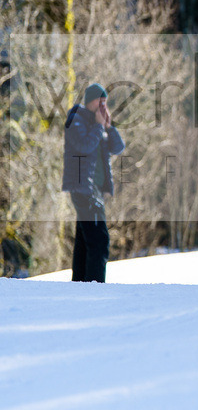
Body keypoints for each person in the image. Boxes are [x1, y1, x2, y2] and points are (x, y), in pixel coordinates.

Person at [62, 83, 125, 282]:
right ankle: (94, 287)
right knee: (99, 240)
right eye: (100, 102)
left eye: (106, 102)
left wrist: (108, 126)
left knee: (85, 241)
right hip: (83, 188)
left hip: (95, 190)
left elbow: (118, 147)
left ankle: (80, 285)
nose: (103, 106)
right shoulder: (76, 119)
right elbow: (84, 146)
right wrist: (98, 126)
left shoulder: (99, 123)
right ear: (90, 101)